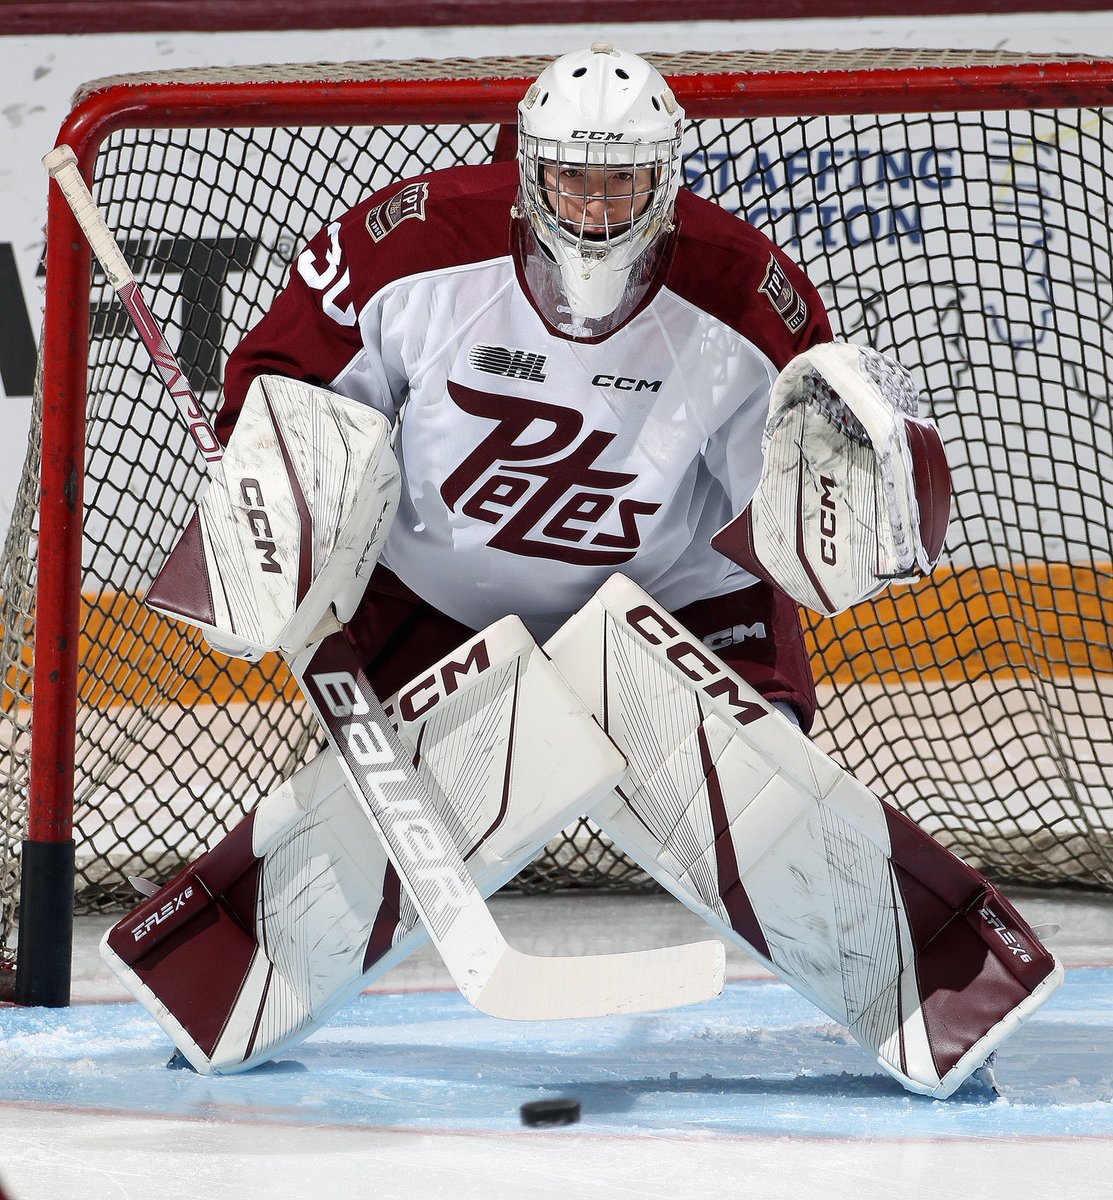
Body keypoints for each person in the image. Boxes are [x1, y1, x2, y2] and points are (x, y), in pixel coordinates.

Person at [220, 42, 833, 728]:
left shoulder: (743, 293)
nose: (594, 209)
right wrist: (262, 506)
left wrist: (848, 508)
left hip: (677, 608)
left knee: (759, 821)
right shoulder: (418, 245)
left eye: (621, 180)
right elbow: (290, 388)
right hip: (431, 605)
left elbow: (790, 499)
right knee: (407, 833)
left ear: (665, 176)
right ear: (527, 167)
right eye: (571, 176)